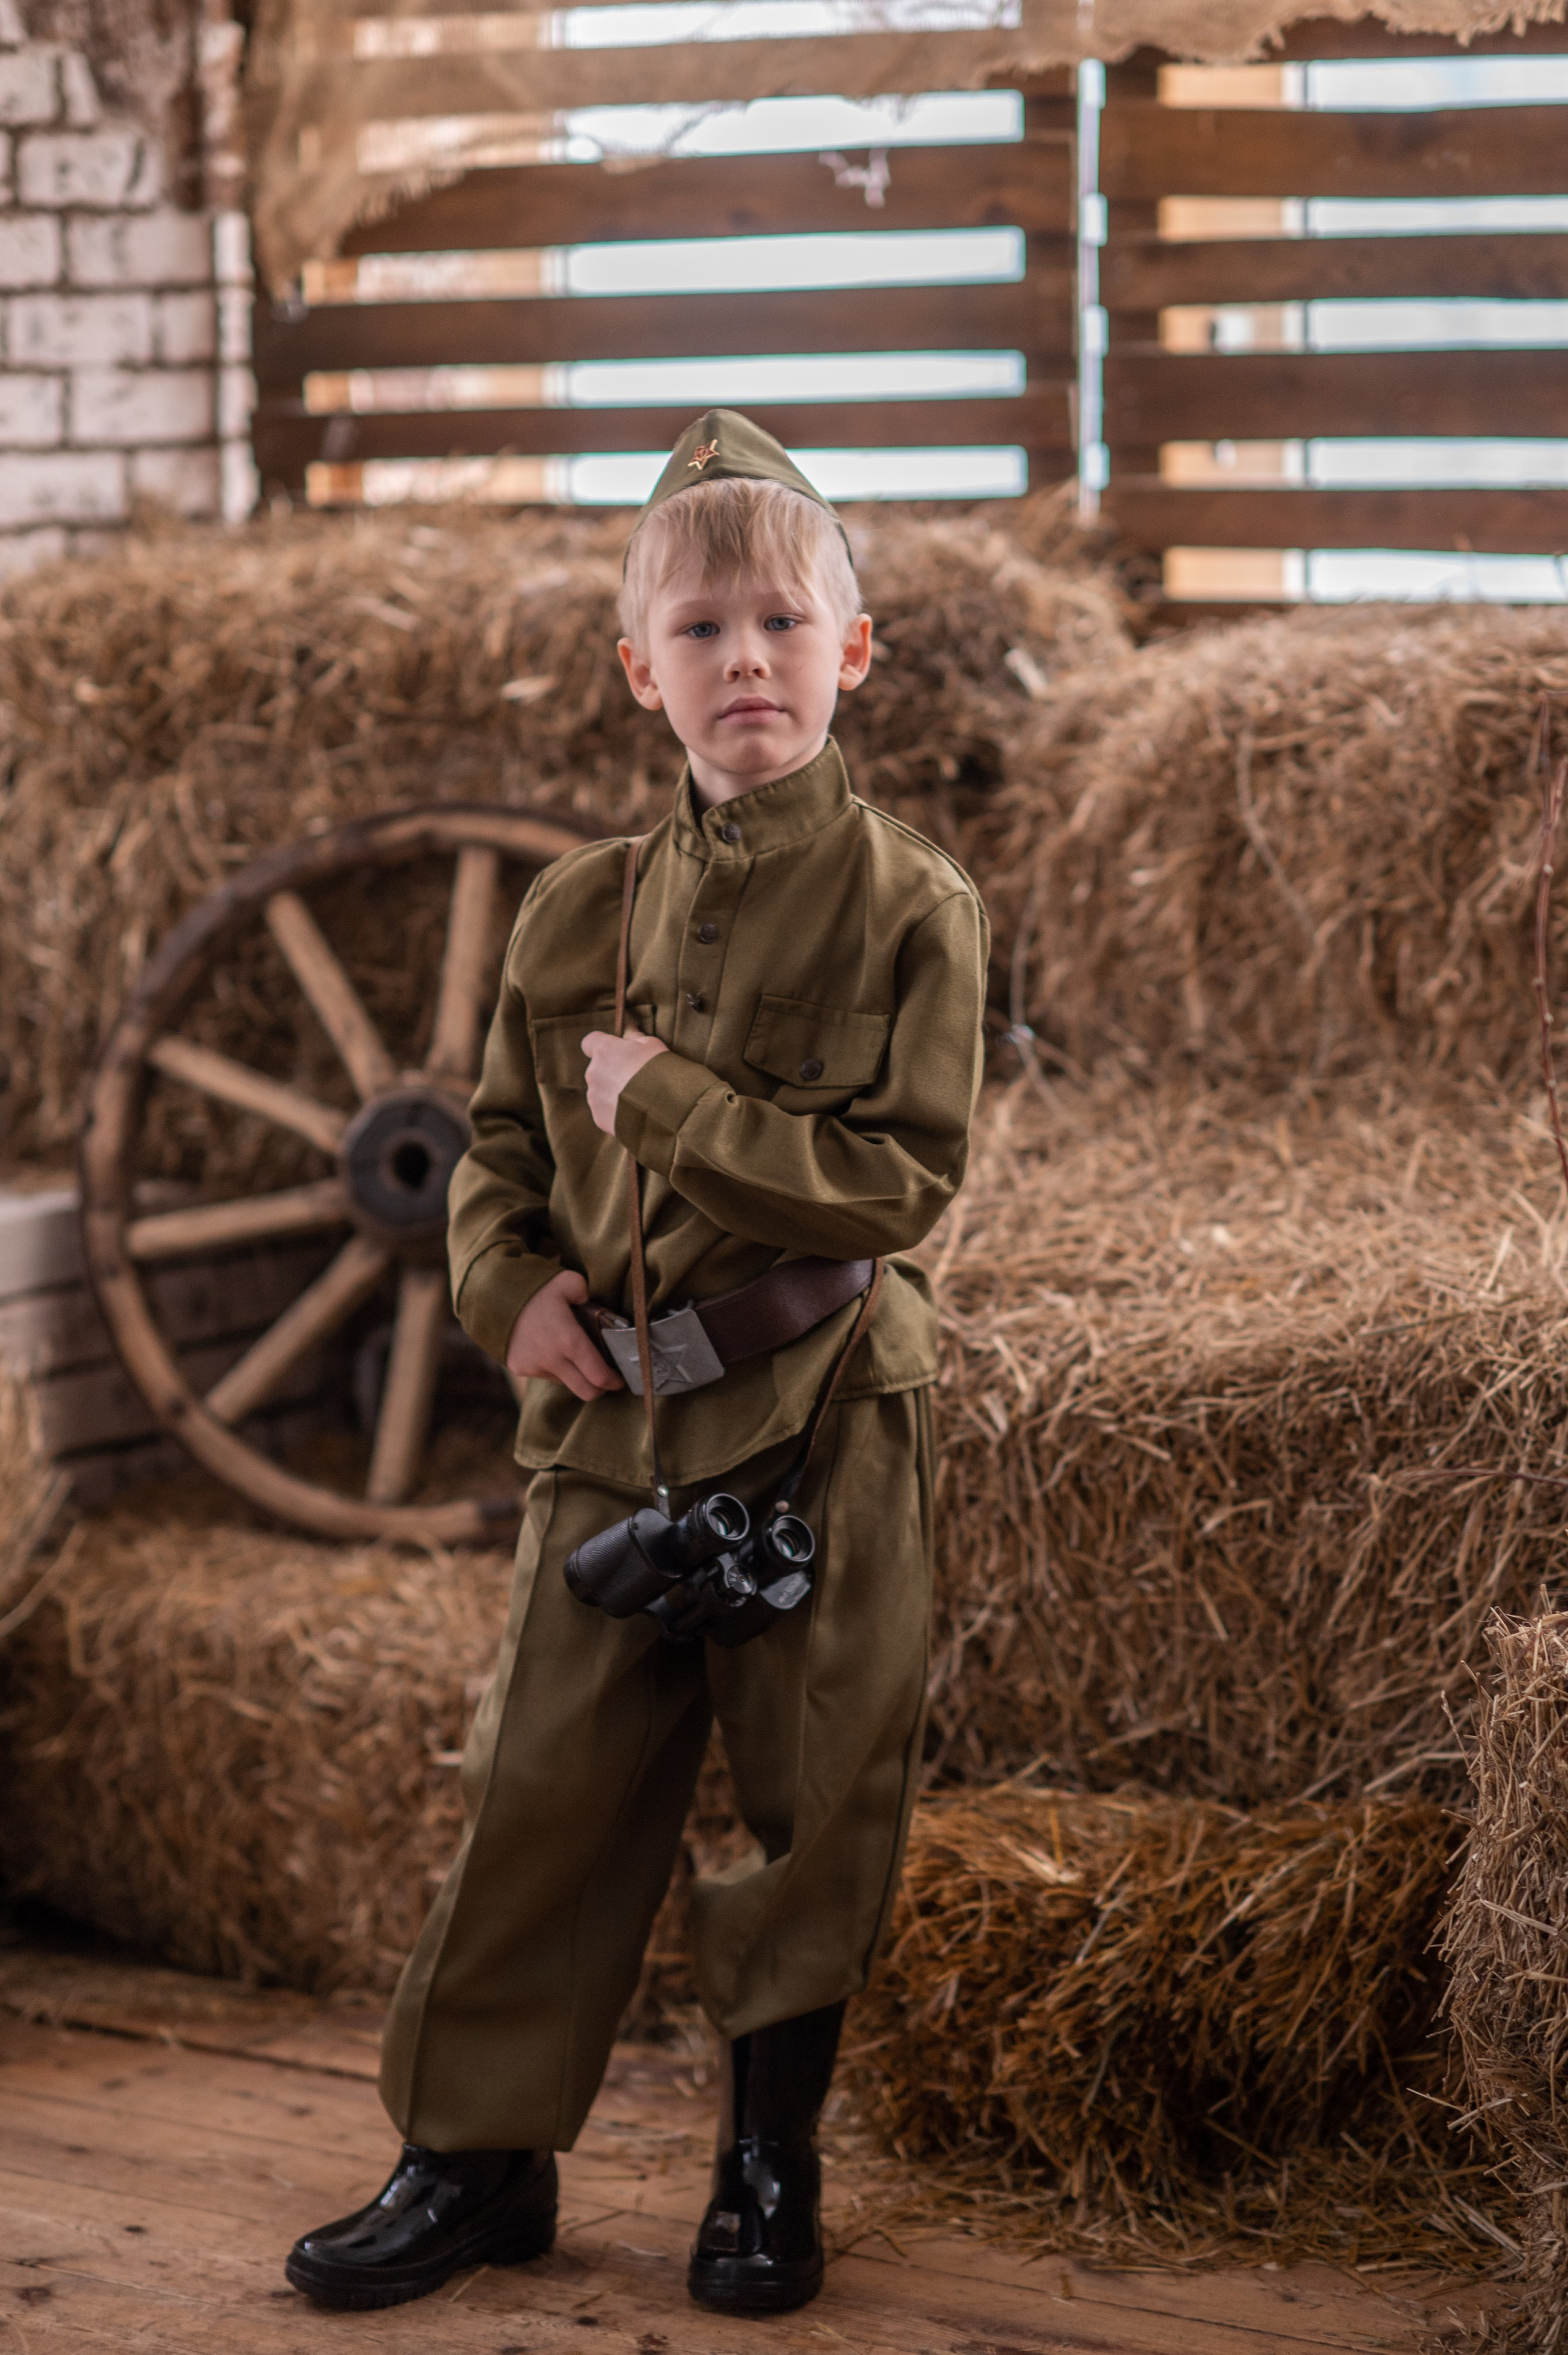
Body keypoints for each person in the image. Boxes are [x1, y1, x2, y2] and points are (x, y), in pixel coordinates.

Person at [285, 411, 989, 2318]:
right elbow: (502, 1151)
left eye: (781, 622)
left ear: (854, 651)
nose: (741, 659)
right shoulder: (570, 910)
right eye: (698, 629)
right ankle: (475, 2159)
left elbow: (902, 1181)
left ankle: (767, 2167)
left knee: (812, 1796)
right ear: (637, 669)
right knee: (543, 1787)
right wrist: (501, 1279)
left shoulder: (916, 902)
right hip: (609, 1416)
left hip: (825, 1401)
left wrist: (674, 1105)